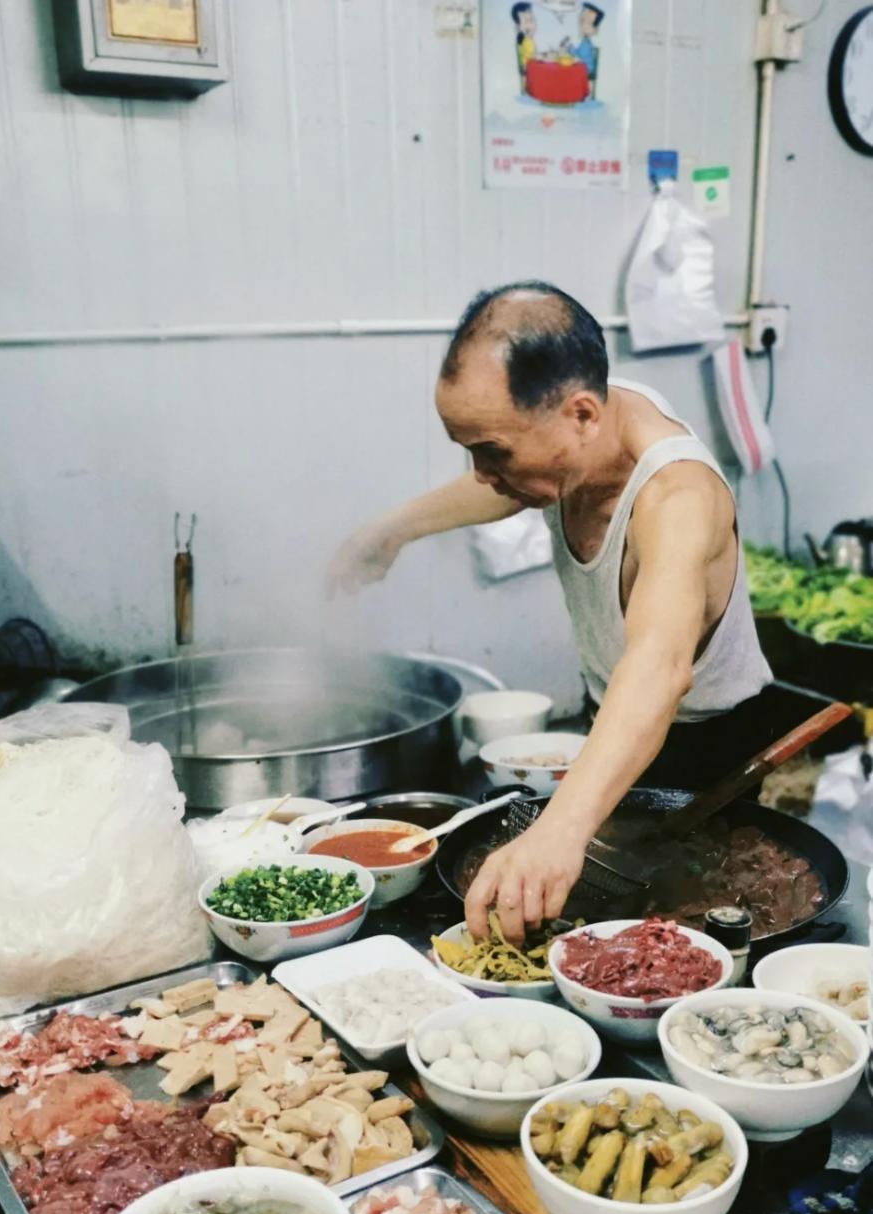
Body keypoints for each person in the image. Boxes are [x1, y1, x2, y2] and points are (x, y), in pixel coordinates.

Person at [327, 281, 774, 943]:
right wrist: (388, 531)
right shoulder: (576, 432)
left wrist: (560, 830)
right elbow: (508, 488)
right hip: (616, 721)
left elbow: (659, 666)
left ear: (583, 415)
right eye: (469, 449)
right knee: (586, 915)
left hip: (707, 751)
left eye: (492, 452)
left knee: (667, 930)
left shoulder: (678, 499)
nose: (482, 473)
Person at [564, 2, 604, 91]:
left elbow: (580, 54)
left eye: (588, 22)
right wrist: (571, 48)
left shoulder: (586, 43)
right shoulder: (585, 41)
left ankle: (574, 92)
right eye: (581, 21)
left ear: (594, 29)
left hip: (586, 69)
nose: (582, 25)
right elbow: (579, 52)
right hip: (584, 67)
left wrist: (570, 49)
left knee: (568, 72)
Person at [510, 2, 537, 90]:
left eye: (532, 20)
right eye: (526, 21)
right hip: (527, 72)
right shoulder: (524, 40)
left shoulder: (528, 40)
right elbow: (526, 57)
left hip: (529, 71)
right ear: (518, 26)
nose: (531, 25)